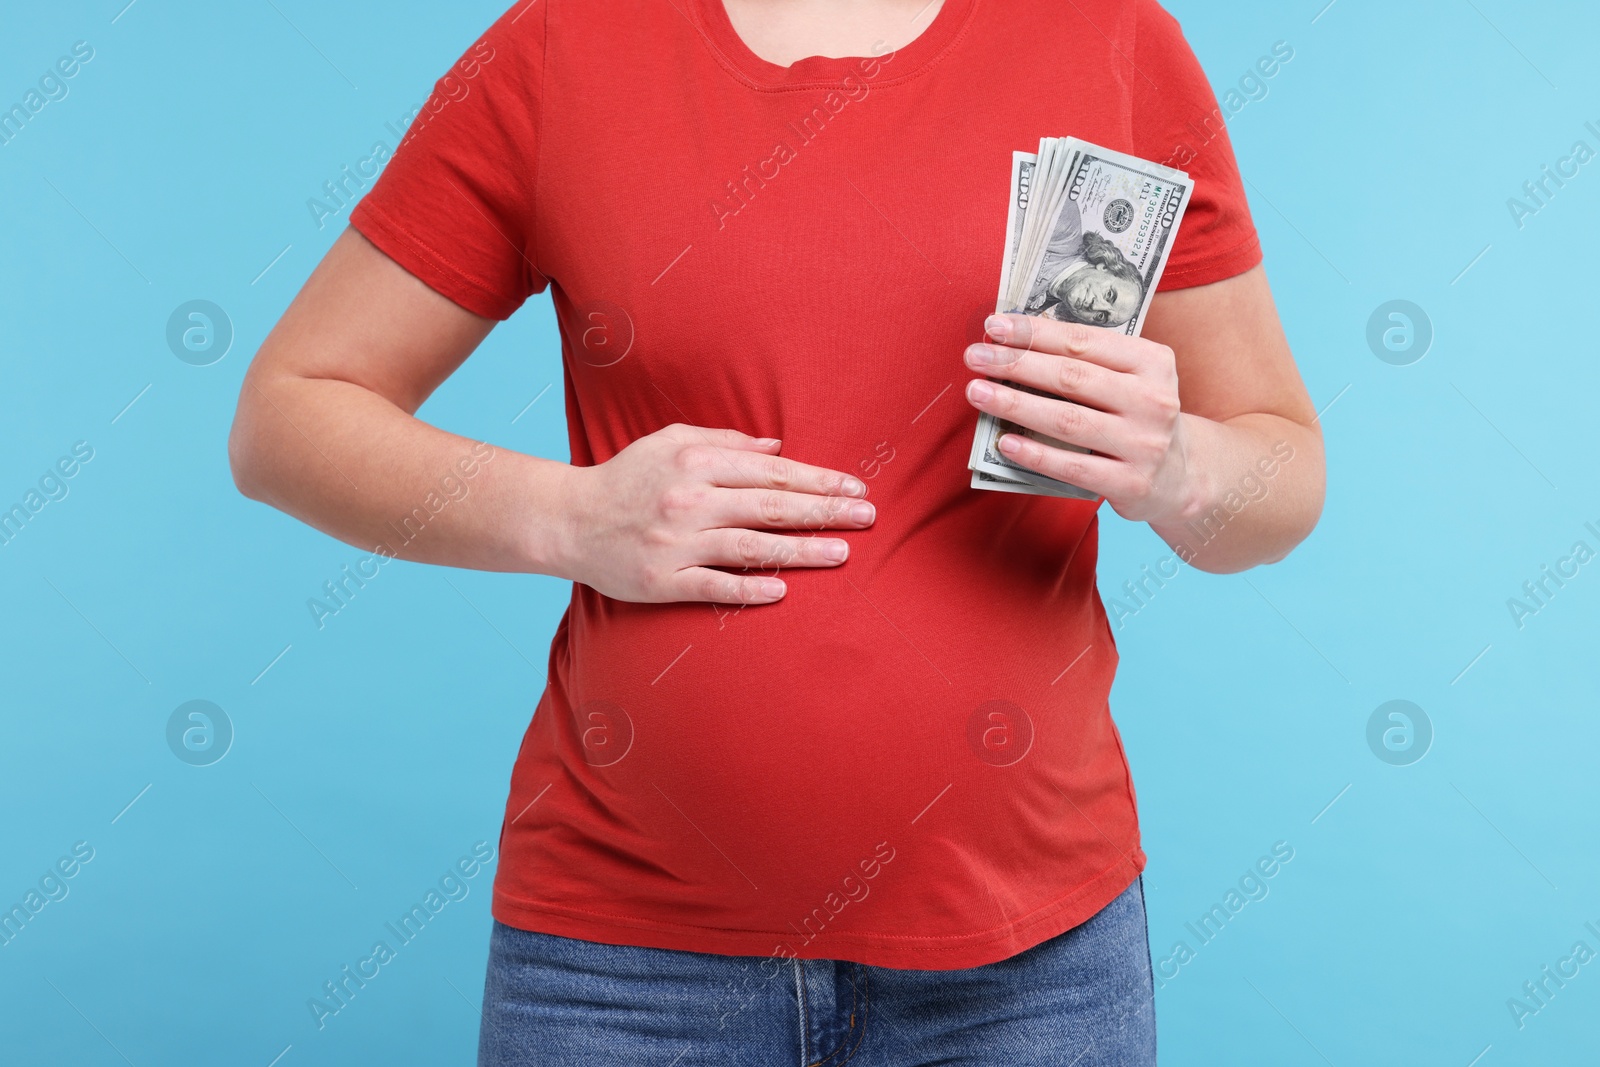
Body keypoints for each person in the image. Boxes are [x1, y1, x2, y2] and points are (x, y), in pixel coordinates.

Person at [227, 0, 1325, 1063]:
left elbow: (1282, 481)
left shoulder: (1110, 37)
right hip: (621, 968)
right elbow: (285, 418)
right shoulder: (560, 47)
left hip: (1026, 972)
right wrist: (564, 515)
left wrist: (1173, 461)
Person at [1023, 198, 1146, 327]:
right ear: (1104, 267)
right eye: (1109, 294)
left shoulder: (1031, 318)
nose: (1095, 306)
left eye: (1101, 316)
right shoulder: (1065, 225)